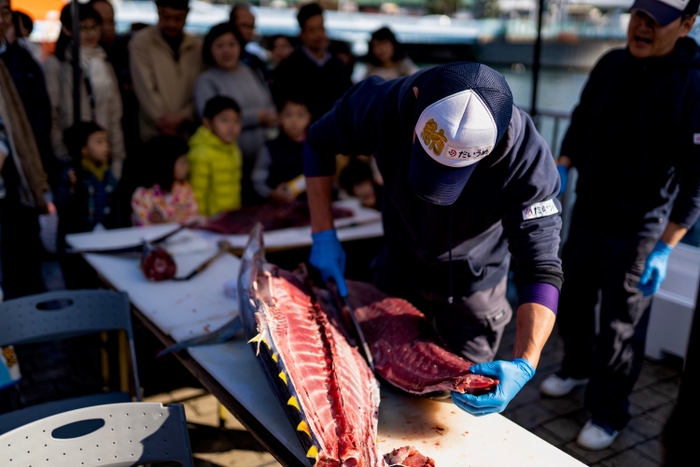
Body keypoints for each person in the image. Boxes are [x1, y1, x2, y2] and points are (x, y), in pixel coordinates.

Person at [303, 61, 563, 417]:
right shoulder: (380, 104)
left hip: (474, 285)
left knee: (456, 403)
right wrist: (323, 234)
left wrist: (526, 361)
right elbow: (318, 141)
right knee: (377, 383)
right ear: (416, 99)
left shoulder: (525, 157)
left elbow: (541, 267)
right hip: (399, 264)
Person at [538, 0, 700, 451]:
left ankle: (610, 413)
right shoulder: (610, 63)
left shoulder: (691, 86)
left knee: (620, 326)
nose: (642, 25)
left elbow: (695, 181)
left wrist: (667, 246)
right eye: (639, 14)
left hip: (640, 232)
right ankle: (576, 366)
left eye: (657, 20)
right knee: (569, 299)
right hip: (588, 212)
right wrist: (564, 164)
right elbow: (582, 118)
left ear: (687, 25)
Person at [194, 21, 276, 206]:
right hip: (226, 165)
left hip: (260, 163)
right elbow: (209, 116)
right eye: (220, 45)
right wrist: (257, 117)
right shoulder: (206, 80)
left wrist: (271, 116)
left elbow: (267, 102)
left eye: (231, 44)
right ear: (210, 49)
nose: (227, 50)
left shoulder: (250, 71)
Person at [0, 0, 50, 300]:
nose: (2, 17)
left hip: (17, 178)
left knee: (22, 252)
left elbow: (37, 115)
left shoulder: (21, 60)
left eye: (5, 10)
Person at [56, 4, 126, 180]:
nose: (90, 34)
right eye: (83, 28)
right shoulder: (59, 67)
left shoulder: (105, 65)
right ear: (67, 30)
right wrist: (65, 157)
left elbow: (115, 117)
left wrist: (116, 160)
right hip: (72, 160)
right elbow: (54, 117)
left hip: (104, 160)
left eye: (94, 27)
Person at [129, 0, 203, 142]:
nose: (171, 24)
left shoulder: (198, 46)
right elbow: (145, 89)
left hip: (189, 134)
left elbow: (200, 90)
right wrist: (166, 123)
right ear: (157, 11)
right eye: (166, 17)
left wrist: (184, 116)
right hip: (154, 134)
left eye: (178, 18)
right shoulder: (141, 42)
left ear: (187, 15)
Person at [269, 2, 353, 122]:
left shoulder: (337, 64)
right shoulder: (289, 67)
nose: (318, 35)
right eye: (312, 30)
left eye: (321, 28)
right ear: (302, 34)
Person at [188, 96, 243, 217]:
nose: (231, 126)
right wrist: (200, 220)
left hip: (230, 218)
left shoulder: (233, 149)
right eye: (224, 120)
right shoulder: (201, 153)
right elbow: (197, 194)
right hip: (209, 223)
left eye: (236, 121)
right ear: (207, 123)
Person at [251, 95, 311, 203]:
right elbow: (258, 181)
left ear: (309, 118)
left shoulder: (315, 147)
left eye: (300, 115)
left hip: (309, 207)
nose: (294, 120)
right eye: (288, 115)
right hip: (278, 208)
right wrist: (272, 193)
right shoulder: (269, 147)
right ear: (279, 117)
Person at [130, 135, 200, 226]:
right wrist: (156, 220)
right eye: (183, 162)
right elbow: (141, 224)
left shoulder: (185, 189)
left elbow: (193, 215)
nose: (187, 166)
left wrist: (165, 214)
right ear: (166, 164)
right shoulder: (143, 194)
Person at [228, 2, 268, 84]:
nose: (248, 31)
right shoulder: (220, 58)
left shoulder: (255, 62)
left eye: (251, 27)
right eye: (243, 25)